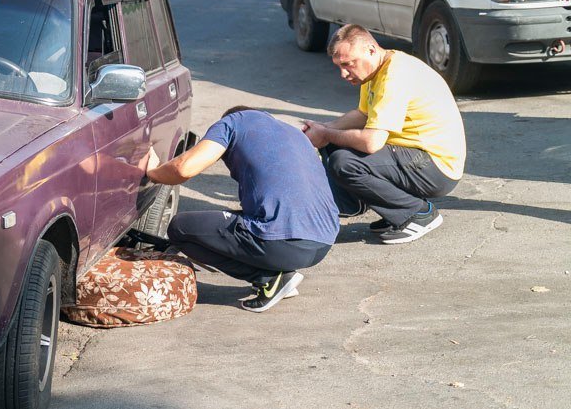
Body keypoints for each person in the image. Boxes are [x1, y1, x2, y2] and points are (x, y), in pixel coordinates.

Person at [145, 106, 338, 312]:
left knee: (180, 228)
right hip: (323, 243)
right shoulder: (294, 134)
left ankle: (269, 278)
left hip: (281, 244)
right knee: (238, 222)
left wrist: (153, 172)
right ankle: (278, 272)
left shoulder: (232, 123)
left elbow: (183, 168)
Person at [302, 25, 466, 244]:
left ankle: (419, 214)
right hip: (416, 157)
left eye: (348, 64)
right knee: (334, 143)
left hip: (436, 167)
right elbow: (362, 114)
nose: (343, 73)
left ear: (371, 50)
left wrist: (327, 134)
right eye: (338, 66)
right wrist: (323, 128)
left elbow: (371, 142)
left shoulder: (395, 76)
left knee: (344, 162)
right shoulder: (376, 70)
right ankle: (351, 205)